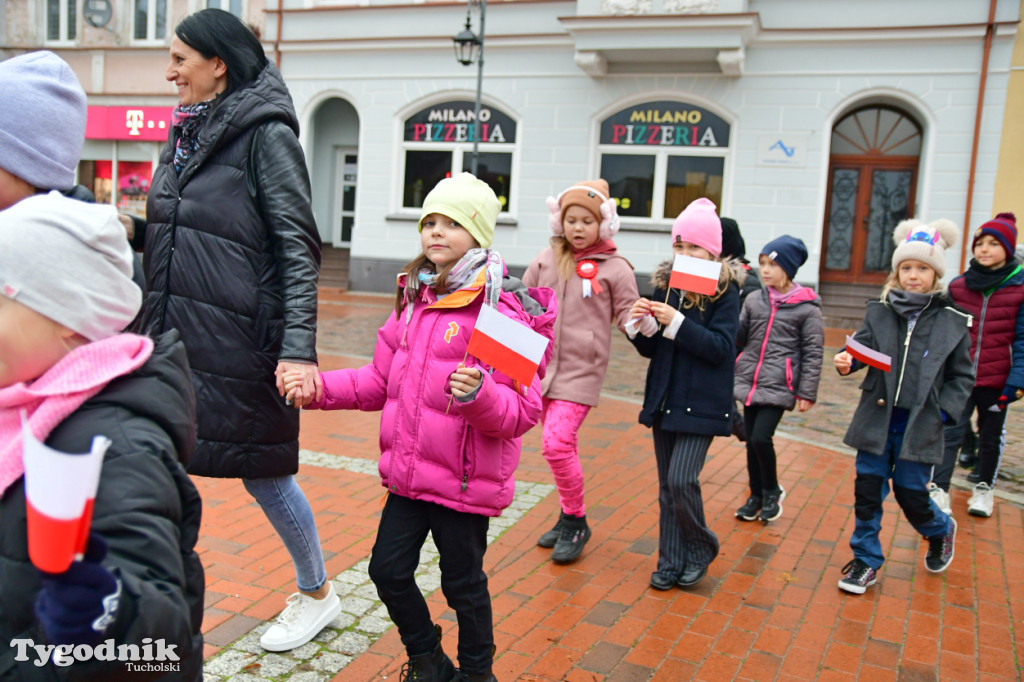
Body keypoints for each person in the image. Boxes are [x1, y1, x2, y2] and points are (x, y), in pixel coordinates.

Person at [284, 173, 555, 682]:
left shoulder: (500, 305)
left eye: (452, 222)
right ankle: (429, 660)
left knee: (462, 586)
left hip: (463, 481)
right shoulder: (414, 300)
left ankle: (478, 675)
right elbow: (377, 381)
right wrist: (317, 388)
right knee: (386, 570)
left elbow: (522, 412)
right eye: (429, 221)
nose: (436, 231)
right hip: (410, 475)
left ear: (478, 232)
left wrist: (479, 396)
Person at [137, 9, 338, 651]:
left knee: (265, 473)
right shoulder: (188, 132)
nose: (169, 72)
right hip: (174, 335)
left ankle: (317, 595)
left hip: (242, 342)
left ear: (218, 63)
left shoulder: (264, 134)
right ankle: (146, 596)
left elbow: (296, 246)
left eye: (179, 60)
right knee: (153, 458)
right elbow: (182, 229)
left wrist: (298, 351)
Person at [0, 192, 204, 679]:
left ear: (71, 319)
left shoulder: (117, 445)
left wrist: (112, 612)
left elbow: (159, 639)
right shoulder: (19, 403)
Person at [832, 218, 972, 595]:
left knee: (911, 493)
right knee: (868, 492)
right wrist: (847, 360)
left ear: (936, 274)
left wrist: (943, 413)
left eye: (922, 268)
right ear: (896, 272)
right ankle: (866, 561)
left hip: (921, 425)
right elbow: (859, 350)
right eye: (906, 267)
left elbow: (962, 377)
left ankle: (939, 529)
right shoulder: (879, 311)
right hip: (877, 420)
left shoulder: (952, 321)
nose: (913, 275)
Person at [626, 198, 743, 591]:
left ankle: (701, 545)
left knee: (681, 480)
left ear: (712, 250)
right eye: (680, 246)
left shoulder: (726, 291)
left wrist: (676, 323)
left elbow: (721, 349)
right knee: (665, 488)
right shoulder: (666, 285)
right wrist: (640, 328)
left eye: (694, 247)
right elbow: (656, 349)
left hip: (703, 404)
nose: (686, 254)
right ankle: (670, 561)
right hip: (666, 400)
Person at [521, 179, 639, 564]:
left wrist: (647, 324)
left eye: (586, 221)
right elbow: (521, 304)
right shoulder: (545, 259)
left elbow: (628, 315)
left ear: (602, 225)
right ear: (561, 222)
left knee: (556, 444)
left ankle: (576, 522)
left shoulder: (616, 269)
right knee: (559, 449)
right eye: (571, 219)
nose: (577, 228)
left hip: (581, 371)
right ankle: (567, 514)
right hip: (542, 370)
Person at [930, 212, 1024, 518]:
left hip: (998, 379)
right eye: (979, 243)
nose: (984, 249)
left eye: (993, 244)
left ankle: (984, 489)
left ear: (1008, 250)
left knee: (989, 436)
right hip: (959, 378)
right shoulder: (958, 287)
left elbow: (1023, 340)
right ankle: (939, 488)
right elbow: (943, 333)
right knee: (950, 431)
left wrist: (1017, 380)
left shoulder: (1020, 290)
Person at [733, 236, 824, 523]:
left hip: (780, 384)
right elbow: (739, 338)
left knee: (761, 437)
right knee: (750, 440)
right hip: (750, 380)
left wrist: (806, 392)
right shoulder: (753, 300)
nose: (765, 270)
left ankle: (771, 491)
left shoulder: (807, 308)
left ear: (788, 268)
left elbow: (813, 352)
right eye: (762, 264)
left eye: (772, 264)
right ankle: (755, 495)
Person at [719, 217, 761, 442]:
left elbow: (746, 325)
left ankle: (748, 434)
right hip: (727, 349)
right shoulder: (718, 272)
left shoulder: (746, 279)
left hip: (737, 353)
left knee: (726, 399)